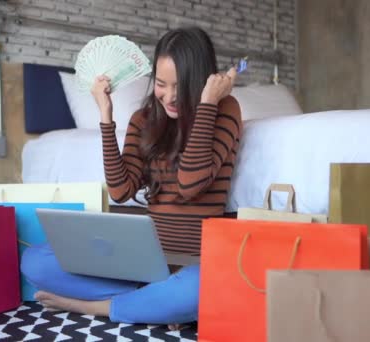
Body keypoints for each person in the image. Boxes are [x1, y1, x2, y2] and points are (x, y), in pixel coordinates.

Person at [21, 26, 242, 329]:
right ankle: (153, 301)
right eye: (162, 84)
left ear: (203, 82)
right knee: (34, 261)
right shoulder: (144, 119)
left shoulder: (224, 109)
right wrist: (105, 115)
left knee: (198, 290)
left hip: (194, 265)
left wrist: (206, 104)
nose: (170, 96)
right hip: (144, 264)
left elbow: (191, 184)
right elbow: (121, 190)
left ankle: (92, 306)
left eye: (182, 86)